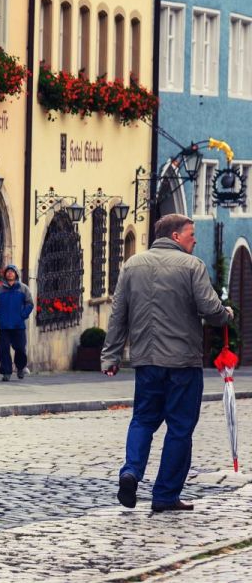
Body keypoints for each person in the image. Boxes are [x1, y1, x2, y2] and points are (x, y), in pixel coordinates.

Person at [102, 214, 232, 512]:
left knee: (143, 419)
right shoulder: (192, 266)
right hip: (183, 362)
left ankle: (131, 470)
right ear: (175, 236)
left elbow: (118, 313)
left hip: (147, 361)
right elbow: (210, 308)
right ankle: (165, 495)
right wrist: (226, 314)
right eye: (191, 234)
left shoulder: (132, 265)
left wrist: (110, 356)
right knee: (180, 428)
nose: (195, 239)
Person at [0, 264, 34, 381]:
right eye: (8, 272)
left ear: (16, 274)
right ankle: (6, 372)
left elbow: (30, 303)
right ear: (5, 275)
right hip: (4, 326)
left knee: (20, 348)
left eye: (12, 272)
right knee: (3, 349)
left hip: (18, 325)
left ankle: (20, 368)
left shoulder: (23, 288)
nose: (10, 273)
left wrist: (23, 315)